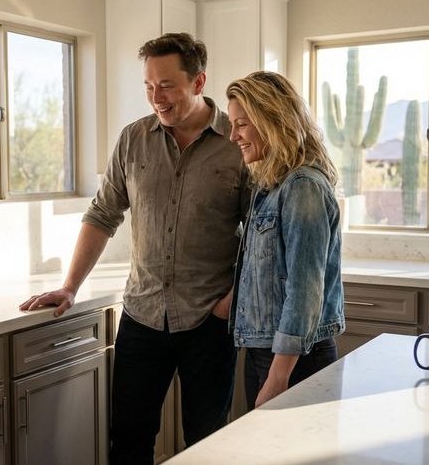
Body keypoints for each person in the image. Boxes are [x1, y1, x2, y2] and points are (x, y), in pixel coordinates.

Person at [20, 32, 250, 464]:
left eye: (167, 86)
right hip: (142, 316)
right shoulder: (133, 139)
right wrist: (70, 286)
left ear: (199, 82)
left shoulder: (235, 146)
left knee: (207, 443)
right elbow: (103, 213)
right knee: (128, 439)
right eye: (148, 86)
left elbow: (258, 233)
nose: (156, 98)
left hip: (209, 320)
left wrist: (230, 302)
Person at [225, 71, 345, 409]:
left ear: (272, 121)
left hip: (293, 361)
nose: (233, 135)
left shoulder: (302, 187)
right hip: (269, 353)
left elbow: (304, 291)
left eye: (242, 124)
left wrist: (278, 379)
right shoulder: (273, 186)